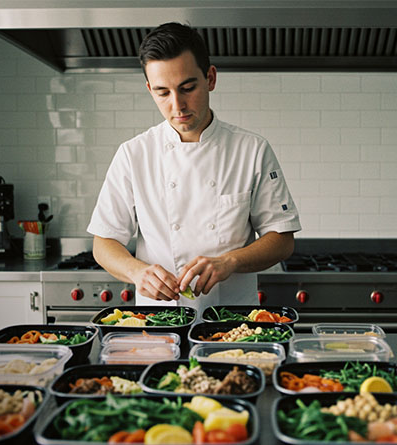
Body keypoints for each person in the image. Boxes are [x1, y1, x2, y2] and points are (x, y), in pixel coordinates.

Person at [87, 22, 300, 309]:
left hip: (231, 320)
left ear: (210, 78)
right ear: (149, 89)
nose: (178, 106)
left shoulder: (252, 150)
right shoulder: (134, 154)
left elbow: (282, 239)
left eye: (187, 88)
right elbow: (103, 244)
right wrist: (137, 272)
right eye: (163, 93)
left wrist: (231, 261)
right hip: (159, 320)